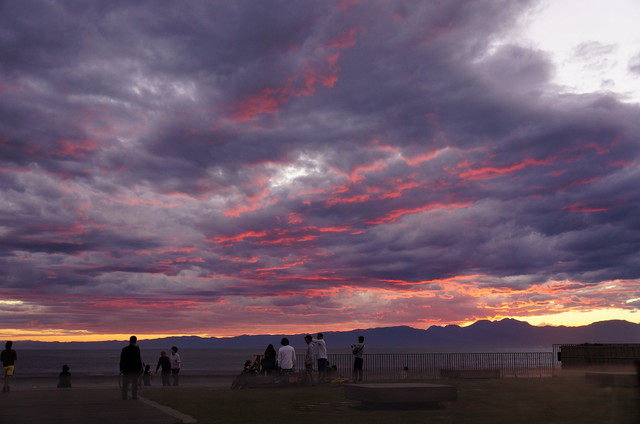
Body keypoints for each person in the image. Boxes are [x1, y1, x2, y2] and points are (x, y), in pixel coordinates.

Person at [120, 336, 143, 400]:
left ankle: (124, 396)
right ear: (135, 341)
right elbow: (138, 359)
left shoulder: (124, 349)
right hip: (134, 369)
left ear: (129, 341)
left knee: (125, 383)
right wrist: (140, 368)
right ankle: (134, 396)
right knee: (134, 383)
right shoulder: (137, 349)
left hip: (126, 369)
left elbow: (122, 360)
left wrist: (121, 369)